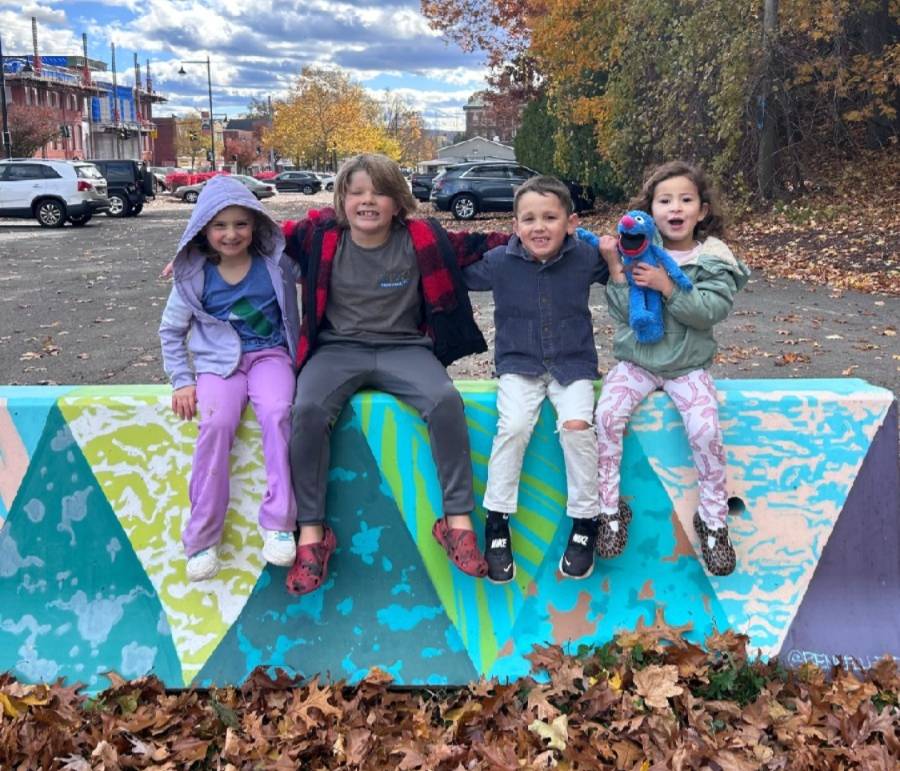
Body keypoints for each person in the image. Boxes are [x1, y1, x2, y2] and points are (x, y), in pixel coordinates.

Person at [281, 153, 509, 595]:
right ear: (342, 198)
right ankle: (312, 534)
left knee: (445, 401)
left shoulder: (422, 237)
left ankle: (456, 522)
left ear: (398, 200)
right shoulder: (321, 236)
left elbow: (488, 243)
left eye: (380, 192)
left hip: (405, 348)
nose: (368, 201)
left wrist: (554, 237)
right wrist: (195, 253)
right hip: (337, 350)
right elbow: (251, 233)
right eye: (358, 192)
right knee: (306, 409)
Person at [594, 160, 750, 576]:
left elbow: (709, 312)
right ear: (651, 209)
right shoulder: (636, 247)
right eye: (665, 200)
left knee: (705, 429)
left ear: (702, 210)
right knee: (607, 416)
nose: (675, 207)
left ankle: (713, 521)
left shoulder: (713, 258)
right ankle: (609, 511)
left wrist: (667, 286)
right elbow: (622, 314)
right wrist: (616, 271)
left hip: (687, 367)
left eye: (686, 199)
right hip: (637, 363)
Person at [462, 176, 610, 582]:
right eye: (528, 219)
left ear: (571, 222)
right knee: (512, 427)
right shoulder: (498, 262)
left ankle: (585, 521)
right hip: (519, 365)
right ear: (515, 225)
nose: (539, 227)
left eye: (550, 217)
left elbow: (623, 266)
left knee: (577, 427)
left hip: (572, 364)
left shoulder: (584, 256)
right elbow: (454, 273)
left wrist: (615, 250)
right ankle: (497, 521)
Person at [159, 175, 301, 581]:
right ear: (203, 228)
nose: (231, 234)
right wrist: (182, 380)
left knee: (277, 413)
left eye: (241, 223)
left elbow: (316, 251)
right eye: (220, 225)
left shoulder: (275, 264)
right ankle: (202, 537)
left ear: (255, 224)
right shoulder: (194, 275)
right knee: (217, 423)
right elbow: (171, 331)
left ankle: (278, 524)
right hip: (218, 367)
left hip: (270, 357)